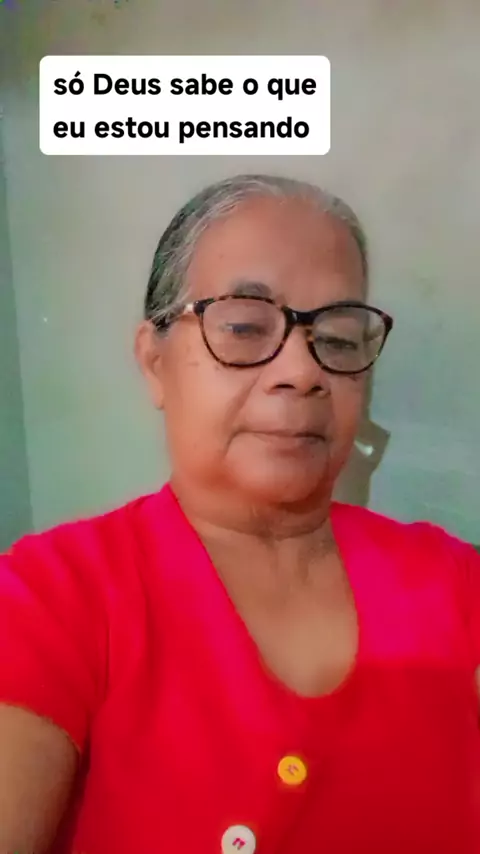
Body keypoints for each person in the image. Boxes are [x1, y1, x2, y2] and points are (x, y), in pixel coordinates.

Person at [0, 174, 479, 854]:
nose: (303, 372)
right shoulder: (50, 600)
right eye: (246, 327)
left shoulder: (453, 585)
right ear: (155, 362)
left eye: (340, 340)